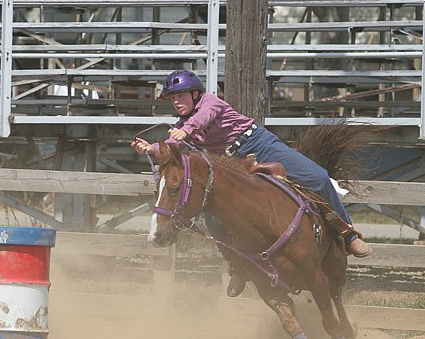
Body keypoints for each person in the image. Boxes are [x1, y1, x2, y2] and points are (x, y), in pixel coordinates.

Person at [131, 69, 371, 296]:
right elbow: (169, 147)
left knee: (317, 177)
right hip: (230, 165)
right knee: (214, 220)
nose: (176, 101)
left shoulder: (209, 103)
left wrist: (186, 131)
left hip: (258, 144)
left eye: (180, 96)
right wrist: (149, 149)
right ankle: (237, 267)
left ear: (195, 94)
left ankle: (347, 235)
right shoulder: (181, 126)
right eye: (172, 98)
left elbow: (204, 118)